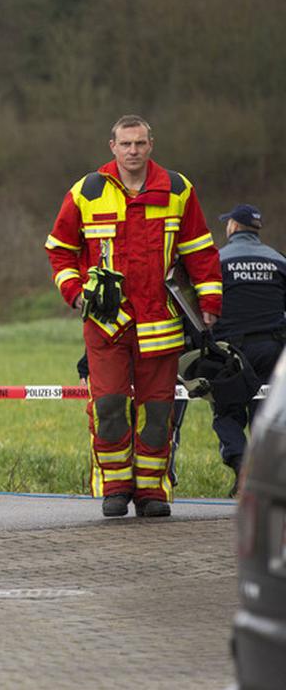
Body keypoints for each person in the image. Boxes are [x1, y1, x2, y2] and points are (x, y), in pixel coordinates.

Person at [46, 115, 222, 519]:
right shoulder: (87, 191)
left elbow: (200, 251)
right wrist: (74, 293)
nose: (133, 151)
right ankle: (114, 488)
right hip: (106, 324)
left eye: (140, 143)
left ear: (151, 145)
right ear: (112, 146)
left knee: (158, 411)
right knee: (107, 406)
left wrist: (210, 302)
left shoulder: (177, 190)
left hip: (160, 322)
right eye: (125, 144)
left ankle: (151, 491)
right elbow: (59, 249)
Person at [209, 204, 285, 495]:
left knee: (227, 411)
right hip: (272, 349)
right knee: (264, 413)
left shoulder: (217, 260)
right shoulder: (278, 260)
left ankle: (240, 462)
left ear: (234, 227)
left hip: (231, 353)